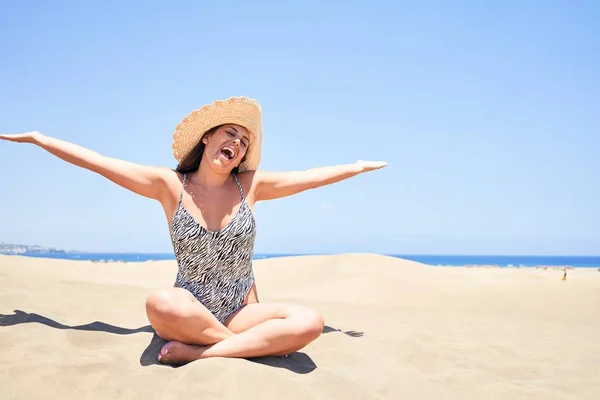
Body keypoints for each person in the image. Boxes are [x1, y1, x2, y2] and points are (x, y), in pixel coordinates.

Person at [0, 96, 387, 365]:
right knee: (158, 303)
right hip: (189, 312)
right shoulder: (170, 185)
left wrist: (354, 166)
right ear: (208, 137)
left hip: (241, 311)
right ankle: (251, 348)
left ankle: (202, 353)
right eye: (230, 133)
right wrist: (40, 139)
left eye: (244, 140)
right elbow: (101, 163)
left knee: (310, 321)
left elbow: (310, 178)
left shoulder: (250, 185)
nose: (236, 143)